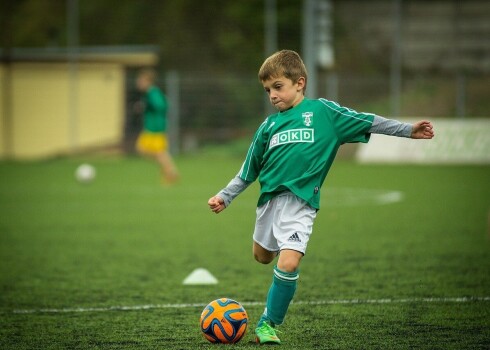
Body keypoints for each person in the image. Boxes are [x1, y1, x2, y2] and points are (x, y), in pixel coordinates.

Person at [207, 50, 434, 345]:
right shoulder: (268, 127)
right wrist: (225, 197)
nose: (272, 95)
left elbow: (368, 121)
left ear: (299, 83)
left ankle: (268, 323)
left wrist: (407, 130)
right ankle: (279, 254)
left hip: (301, 204)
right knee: (262, 257)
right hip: (269, 204)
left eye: (278, 87)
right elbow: (248, 171)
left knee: (288, 264)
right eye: (267, 90)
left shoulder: (325, 113)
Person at [135, 68, 179, 184]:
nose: (138, 82)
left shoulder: (152, 92)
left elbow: (161, 105)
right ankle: (169, 170)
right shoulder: (151, 93)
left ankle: (170, 171)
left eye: (141, 80)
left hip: (155, 128)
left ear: (148, 81)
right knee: (147, 151)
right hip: (151, 127)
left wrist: (147, 105)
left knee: (156, 152)